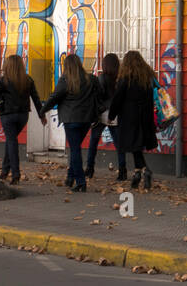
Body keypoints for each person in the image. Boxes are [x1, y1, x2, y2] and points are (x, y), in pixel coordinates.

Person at [42, 52, 100, 193]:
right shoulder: (91, 79)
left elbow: (54, 97)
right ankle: (70, 178)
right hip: (86, 119)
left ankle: (80, 182)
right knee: (75, 149)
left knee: (75, 150)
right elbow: (100, 95)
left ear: (66, 66)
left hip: (70, 120)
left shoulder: (66, 80)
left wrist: (42, 110)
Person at [0, 54, 45, 185]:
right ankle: (4, 171)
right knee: (10, 141)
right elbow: (36, 99)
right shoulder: (28, 80)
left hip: (7, 115)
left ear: (7, 66)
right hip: (23, 116)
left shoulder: (4, 81)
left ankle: (15, 174)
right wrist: (41, 116)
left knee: (11, 142)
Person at [109, 50, 158, 191]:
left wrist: (112, 115)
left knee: (134, 147)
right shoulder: (147, 78)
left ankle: (145, 170)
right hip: (145, 118)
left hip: (130, 119)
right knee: (137, 147)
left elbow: (118, 99)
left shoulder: (126, 79)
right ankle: (137, 174)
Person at [86, 53, 121, 181]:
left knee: (93, 141)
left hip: (101, 115)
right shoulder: (119, 79)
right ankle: (122, 171)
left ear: (104, 65)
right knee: (119, 144)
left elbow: (98, 97)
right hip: (115, 114)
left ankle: (90, 169)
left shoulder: (101, 78)